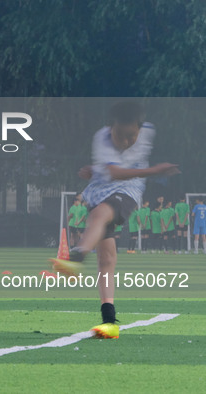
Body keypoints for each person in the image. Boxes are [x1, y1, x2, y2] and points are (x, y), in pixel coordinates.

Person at [49, 101, 179, 339]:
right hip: (99, 190)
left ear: (140, 128)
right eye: (120, 135)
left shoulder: (148, 130)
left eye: (131, 135)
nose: (126, 141)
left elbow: (121, 174)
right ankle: (109, 321)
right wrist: (155, 170)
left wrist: (96, 167)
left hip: (128, 191)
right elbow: (115, 171)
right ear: (111, 128)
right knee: (106, 258)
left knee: (100, 215)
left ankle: (76, 257)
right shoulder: (102, 137)